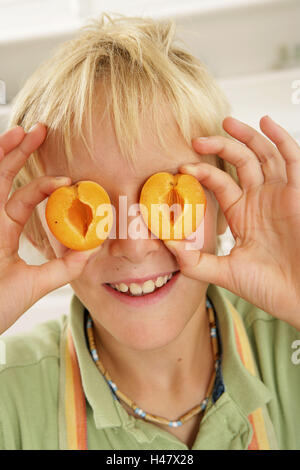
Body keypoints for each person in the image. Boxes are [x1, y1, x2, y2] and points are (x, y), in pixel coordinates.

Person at [0, 13, 299, 451]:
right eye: (93, 204)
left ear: (222, 207)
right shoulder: (12, 396)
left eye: (168, 202)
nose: (135, 245)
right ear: (43, 234)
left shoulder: (290, 337)